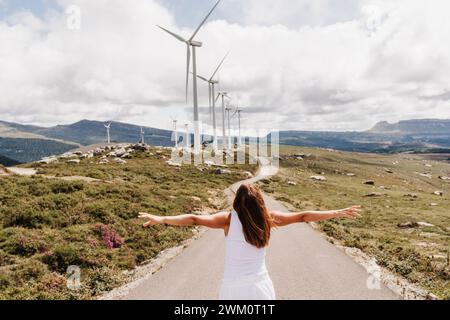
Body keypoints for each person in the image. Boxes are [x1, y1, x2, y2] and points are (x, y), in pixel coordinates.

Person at [138, 183, 361, 300]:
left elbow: (195, 219)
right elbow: (303, 215)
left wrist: (162, 218)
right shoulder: (268, 219)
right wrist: (336, 212)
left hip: (232, 287)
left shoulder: (227, 220)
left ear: (236, 203)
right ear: (260, 202)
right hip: (259, 285)